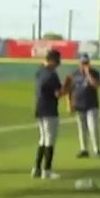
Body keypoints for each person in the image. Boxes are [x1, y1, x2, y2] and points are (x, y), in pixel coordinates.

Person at [33, 49, 64, 179]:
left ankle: (37, 168)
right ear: (52, 60)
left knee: (42, 139)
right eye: (57, 61)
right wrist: (68, 88)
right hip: (50, 109)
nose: (58, 64)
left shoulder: (40, 71)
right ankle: (47, 170)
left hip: (39, 108)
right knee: (49, 140)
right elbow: (58, 93)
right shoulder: (52, 75)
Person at [67, 53, 100, 159]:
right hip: (79, 105)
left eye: (86, 63)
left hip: (92, 104)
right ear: (79, 63)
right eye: (83, 63)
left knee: (93, 128)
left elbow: (97, 85)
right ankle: (84, 149)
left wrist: (88, 74)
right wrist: (69, 104)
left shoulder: (95, 73)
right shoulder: (74, 74)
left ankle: (96, 150)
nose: (84, 65)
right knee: (81, 128)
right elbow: (69, 89)